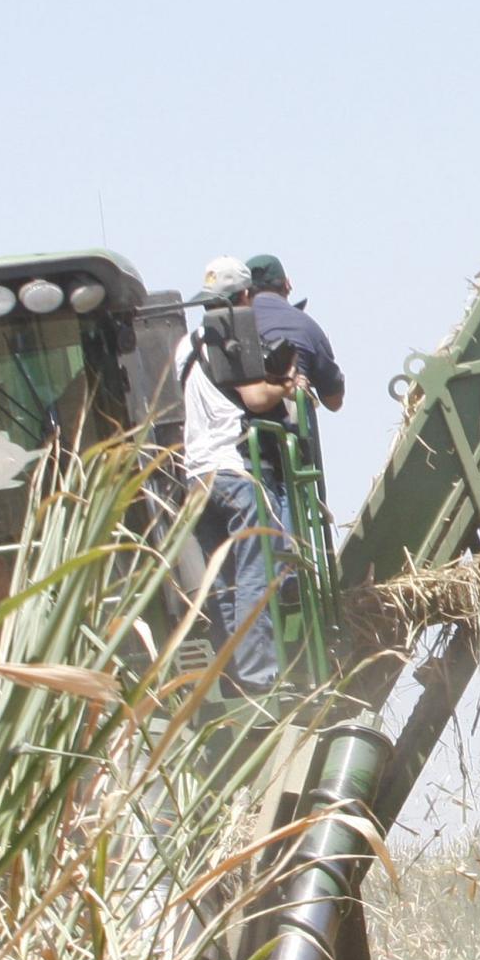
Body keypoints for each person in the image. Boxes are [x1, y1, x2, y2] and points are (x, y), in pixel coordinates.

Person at [183, 256, 293, 691]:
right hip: (234, 470)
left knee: (224, 581)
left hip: (197, 475)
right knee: (254, 570)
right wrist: (286, 384)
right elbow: (255, 398)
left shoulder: (185, 344)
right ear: (245, 296)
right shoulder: (234, 331)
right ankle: (259, 675)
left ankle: (234, 676)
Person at [245, 253, 345, 409]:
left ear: (245, 292)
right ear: (287, 285)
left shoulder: (232, 327)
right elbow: (333, 403)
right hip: (290, 425)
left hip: (233, 423)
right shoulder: (307, 326)